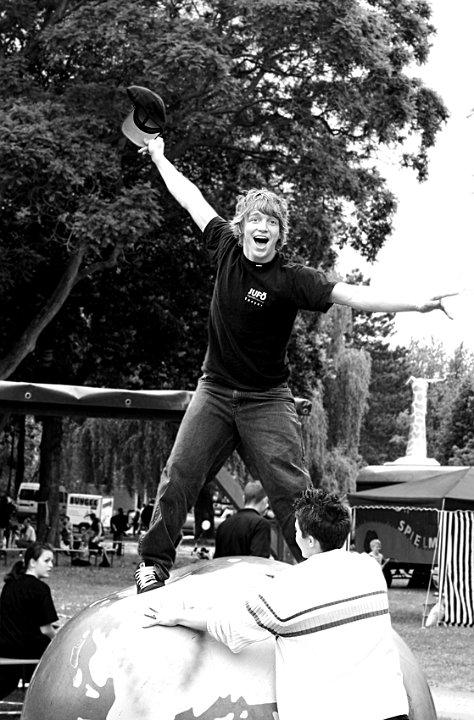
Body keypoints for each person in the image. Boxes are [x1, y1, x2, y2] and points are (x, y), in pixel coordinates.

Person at [134, 134, 456, 594]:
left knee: (291, 490)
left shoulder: (292, 279)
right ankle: (153, 564)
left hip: (267, 399)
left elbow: (354, 296)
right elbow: (190, 196)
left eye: (271, 223)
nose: (262, 228)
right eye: (255, 220)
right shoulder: (224, 247)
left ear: (279, 235)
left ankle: (321, 576)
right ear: (242, 228)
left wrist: (416, 303)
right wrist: (160, 156)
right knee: (181, 472)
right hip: (215, 390)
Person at [144, 488, 409, 720]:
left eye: (297, 530)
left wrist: (177, 616)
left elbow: (230, 625)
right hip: (389, 709)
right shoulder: (369, 569)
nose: (295, 534)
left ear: (310, 540)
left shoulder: (291, 586)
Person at [0, 542, 58, 699]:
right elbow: (46, 630)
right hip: (25, 648)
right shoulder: (40, 589)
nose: (51, 565)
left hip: (4, 645)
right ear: (32, 562)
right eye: (46, 561)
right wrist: (58, 640)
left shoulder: (9, 586)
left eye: (52, 561)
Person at [214, 481, 271, 559]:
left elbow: (217, 560)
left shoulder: (224, 525)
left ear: (243, 498)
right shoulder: (261, 525)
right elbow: (259, 560)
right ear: (265, 500)